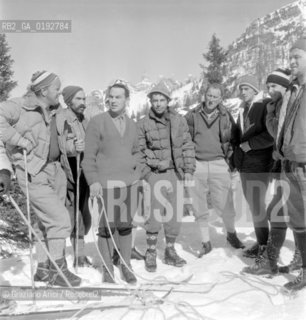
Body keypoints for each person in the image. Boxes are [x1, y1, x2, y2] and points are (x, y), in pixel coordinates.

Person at [0, 71, 81, 287]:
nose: (60, 93)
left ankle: (44, 269)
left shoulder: (56, 111)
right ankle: (58, 270)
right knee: (60, 219)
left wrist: (73, 147)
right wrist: (18, 140)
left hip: (56, 170)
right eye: (57, 88)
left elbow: (59, 142)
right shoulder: (19, 106)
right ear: (44, 90)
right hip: (32, 170)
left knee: (47, 223)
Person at [242, 69, 302, 275]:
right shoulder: (277, 105)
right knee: (282, 212)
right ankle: (279, 259)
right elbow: (276, 133)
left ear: (285, 86)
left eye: (274, 86)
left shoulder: (293, 104)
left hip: (296, 166)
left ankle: (286, 259)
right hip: (282, 167)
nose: (269, 90)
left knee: (287, 212)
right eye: (268, 86)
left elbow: (283, 134)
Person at [82, 80, 141, 284]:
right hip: (105, 185)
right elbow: (88, 157)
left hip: (129, 184)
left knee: (125, 226)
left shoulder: (132, 124)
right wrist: (93, 182)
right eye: (111, 96)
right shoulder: (97, 122)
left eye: (118, 97)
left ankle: (125, 265)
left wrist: (136, 172)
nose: (113, 100)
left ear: (126, 100)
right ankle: (108, 269)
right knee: (107, 227)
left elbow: (137, 151)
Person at [137, 82, 195, 272]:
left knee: (174, 214)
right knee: (154, 213)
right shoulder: (144, 123)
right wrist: (147, 173)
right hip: (156, 174)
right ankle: (151, 251)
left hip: (176, 173)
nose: (159, 104)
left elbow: (187, 145)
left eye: (162, 100)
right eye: (155, 100)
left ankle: (170, 250)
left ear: (168, 101)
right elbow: (139, 151)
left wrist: (188, 170)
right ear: (150, 102)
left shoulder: (179, 120)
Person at [185, 83, 244, 257]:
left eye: (215, 97)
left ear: (221, 99)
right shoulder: (192, 115)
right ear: (204, 95)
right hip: (197, 164)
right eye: (209, 95)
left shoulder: (226, 116)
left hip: (219, 163)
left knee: (225, 203)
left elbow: (234, 141)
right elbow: (185, 140)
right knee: (199, 205)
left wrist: (231, 163)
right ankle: (205, 241)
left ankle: (231, 234)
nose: (211, 99)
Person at [272, 37, 306, 292]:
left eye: (298, 57)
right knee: (299, 220)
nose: (292, 61)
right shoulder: (293, 90)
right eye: (291, 57)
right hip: (290, 163)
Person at [232, 75, 274, 259]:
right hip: (246, 165)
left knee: (257, 205)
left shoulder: (264, 105)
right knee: (254, 206)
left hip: (260, 164)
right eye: (241, 88)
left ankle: (266, 247)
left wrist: (251, 145)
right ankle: (262, 242)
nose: (243, 92)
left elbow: (272, 134)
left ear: (255, 90)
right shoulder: (244, 108)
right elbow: (240, 137)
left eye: (247, 88)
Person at [58, 86, 92, 268]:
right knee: (70, 217)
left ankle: (80, 255)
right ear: (69, 100)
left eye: (84, 99)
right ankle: (62, 257)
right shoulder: (62, 118)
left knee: (82, 215)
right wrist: (73, 146)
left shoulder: (84, 120)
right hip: (68, 175)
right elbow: (61, 143)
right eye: (79, 99)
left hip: (83, 174)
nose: (83, 103)